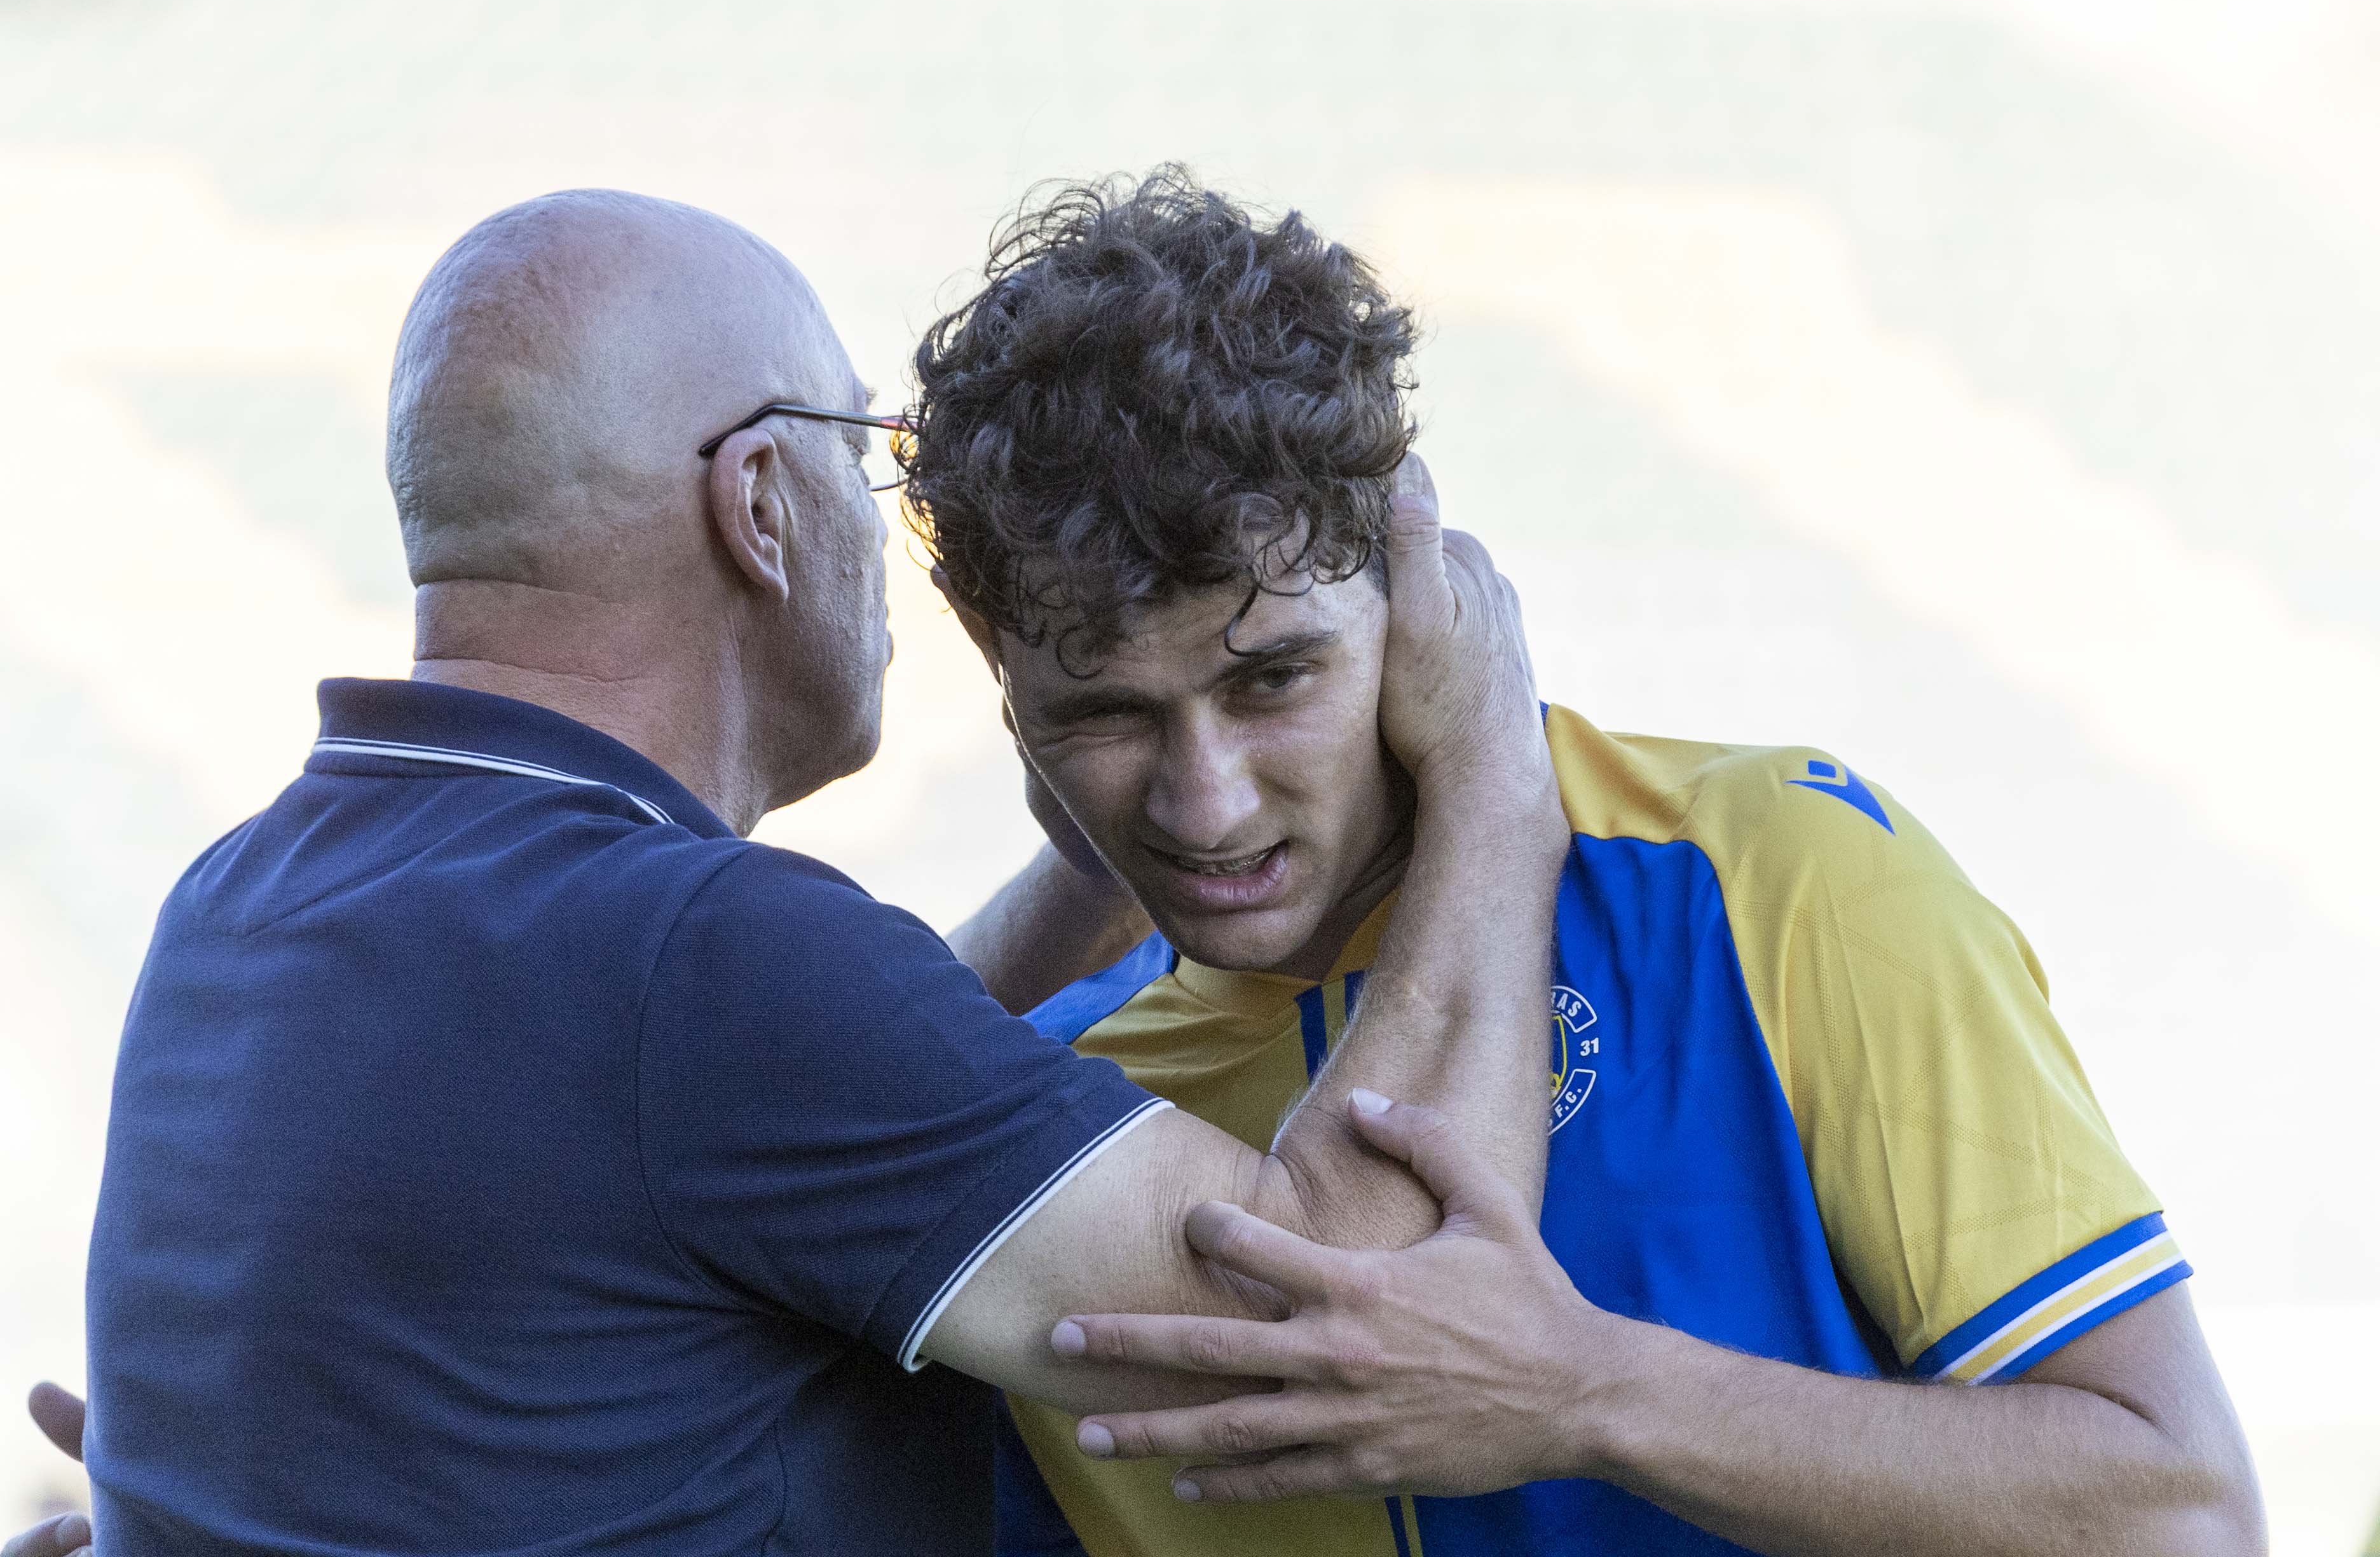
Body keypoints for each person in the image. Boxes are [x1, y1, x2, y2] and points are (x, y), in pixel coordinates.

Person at [45, 188, 1572, 1556]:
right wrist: (1494, 770)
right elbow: (1370, 1313)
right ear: (763, 503)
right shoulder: (706, 962)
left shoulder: (239, 906)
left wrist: (1099, 867)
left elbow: (751, 1133)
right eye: (862, 450)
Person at [898, 168, 2268, 1556]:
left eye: (1275, 681)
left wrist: (1590, 1393)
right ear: (1004, 685)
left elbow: (2182, 1516)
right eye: (1107, 716)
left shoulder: (1772, 873)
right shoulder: (1049, 1113)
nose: (1205, 802)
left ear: (1413, 592)